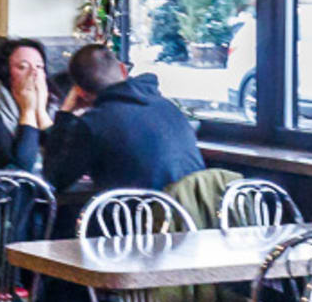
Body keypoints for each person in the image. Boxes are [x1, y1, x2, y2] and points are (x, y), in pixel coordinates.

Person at [37, 41, 203, 208]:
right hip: (197, 219)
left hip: (141, 226)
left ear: (81, 92)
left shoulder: (94, 123)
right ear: (123, 70)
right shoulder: (167, 106)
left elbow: (56, 178)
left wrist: (65, 113)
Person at [0, 39, 50, 176]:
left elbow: (65, 159)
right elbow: (20, 171)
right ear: (6, 74)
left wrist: (42, 113)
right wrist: (28, 112)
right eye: (23, 67)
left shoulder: (53, 106)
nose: (34, 73)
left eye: (39, 67)